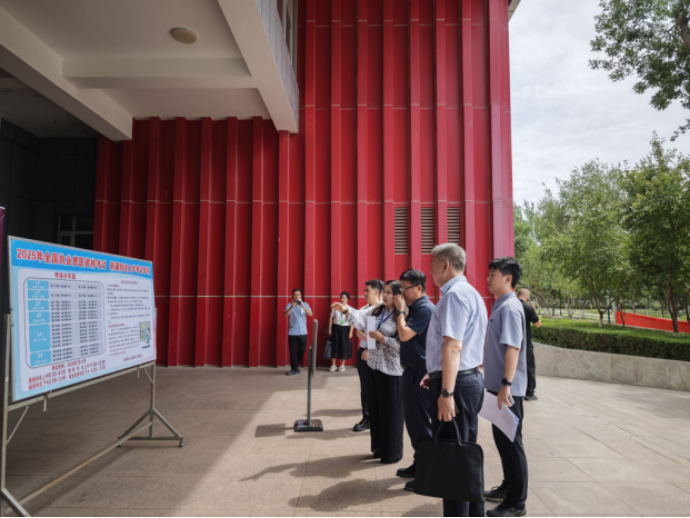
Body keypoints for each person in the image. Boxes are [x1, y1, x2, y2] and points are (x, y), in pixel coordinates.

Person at [420, 244, 488, 518]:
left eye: (432, 266)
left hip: (457, 385)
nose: (430, 272)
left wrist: (446, 392)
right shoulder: (471, 293)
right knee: (464, 455)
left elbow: (454, 346)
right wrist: (435, 372)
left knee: (453, 460)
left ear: (445, 265)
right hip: (465, 379)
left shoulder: (454, 295)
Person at [333, 280, 404, 464]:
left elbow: (403, 345)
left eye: (389, 292)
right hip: (374, 366)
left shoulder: (402, 314)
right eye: (384, 292)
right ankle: (378, 447)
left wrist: (383, 339)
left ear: (398, 295)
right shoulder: (376, 311)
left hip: (391, 370)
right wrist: (346, 310)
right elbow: (358, 319)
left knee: (390, 414)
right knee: (376, 410)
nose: (385, 295)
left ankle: (392, 453)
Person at [484, 258, 529, 518]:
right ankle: (507, 487)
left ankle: (516, 504)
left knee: (512, 444)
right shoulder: (501, 304)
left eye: (493, 274)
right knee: (503, 443)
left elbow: (513, 348)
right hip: (498, 387)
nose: (488, 279)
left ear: (508, 278)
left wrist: (505, 384)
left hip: (507, 390)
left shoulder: (510, 307)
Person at [393, 269, 435, 493]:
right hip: (412, 370)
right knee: (414, 421)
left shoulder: (424, 309)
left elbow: (404, 335)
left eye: (405, 289)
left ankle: (427, 474)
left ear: (419, 288)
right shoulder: (416, 308)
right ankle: (421, 463)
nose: (402, 293)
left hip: (421, 371)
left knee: (420, 423)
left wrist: (401, 311)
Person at [352, 279, 384, 433]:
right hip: (363, 352)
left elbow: (383, 334)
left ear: (376, 292)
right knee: (365, 386)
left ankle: (380, 418)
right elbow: (358, 331)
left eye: (367, 291)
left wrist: (371, 344)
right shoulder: (363, 310)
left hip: (378, 352)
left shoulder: (384, 310)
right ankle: (367, 418)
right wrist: (369, 339)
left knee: (380, 387)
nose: (364, 293)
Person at [517, 289, 541, 402]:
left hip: (512, 342)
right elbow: (538, 324)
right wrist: (534, 311)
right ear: (528, 298)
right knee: (529, 367)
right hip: (525, 343)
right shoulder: (528, 308)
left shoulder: (510, 306)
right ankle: (529, 393)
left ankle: (516, 391)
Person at [283, 289, 313, 376]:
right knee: (292, 352)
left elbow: (310, 314)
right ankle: (294, 369)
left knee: (302, 350)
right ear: (292, 296)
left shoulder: (305, 304)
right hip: (292, 332)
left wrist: (304, 307)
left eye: (298, 294)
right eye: (295, 295)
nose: (296, 296)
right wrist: (291, 307)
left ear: (300, 295)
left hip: (303, 332)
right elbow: (285, 314)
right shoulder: (289, 305)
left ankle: (296, 365)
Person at [328, 292, 354, 372]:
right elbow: (331, 318)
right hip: (335, 327)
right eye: (341, 298)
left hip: (345, 328)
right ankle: (333, 365)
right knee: (334, 345)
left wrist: (351, 332)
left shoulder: (350, 309)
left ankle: (342, 365)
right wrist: (330, 328)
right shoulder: (336, 307)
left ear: (348, 299)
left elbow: (352, 321)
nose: (342, 299)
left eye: (344, 298)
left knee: (344, 346)